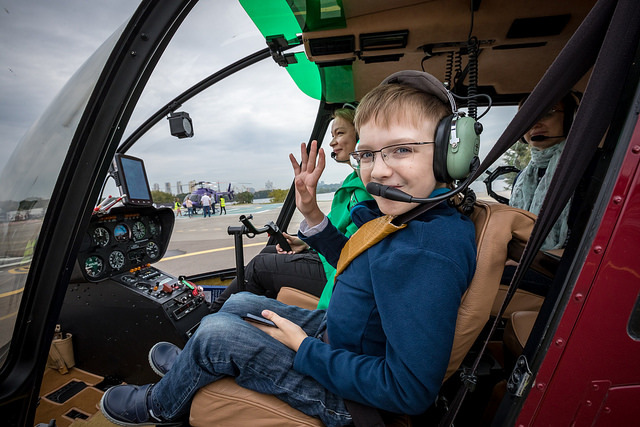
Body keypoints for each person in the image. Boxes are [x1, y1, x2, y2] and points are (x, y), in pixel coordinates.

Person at [99, 70, 477, 427]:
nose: (377, 171)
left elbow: (408, 392)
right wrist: (310, 210)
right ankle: (195, 366)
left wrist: (304, 348)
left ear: (449, 156)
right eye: (368, 154)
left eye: (401, 150)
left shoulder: (425, 253)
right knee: (239, 303)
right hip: (349, 337)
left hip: (355, 402)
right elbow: (360, 264)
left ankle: (160, 405)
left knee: (216, 333)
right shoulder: (417, 219)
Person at [208, 106, 373, 313]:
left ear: (360, 136)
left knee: (260, 266)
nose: (332, 142)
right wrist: (304, 242)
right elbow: (335, 229)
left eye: (339, 133)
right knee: (269, 250)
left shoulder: (369, 190)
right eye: (331, 135)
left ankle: (211, 316)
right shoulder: (352, 181)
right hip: (331, 258)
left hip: (338, 269)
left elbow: (352, 252)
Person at [509, 92, 579, 251]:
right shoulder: (522, 178)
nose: (535, 124)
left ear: (571, 118)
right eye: (528, 119)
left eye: (547, 114)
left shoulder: (587, 168)